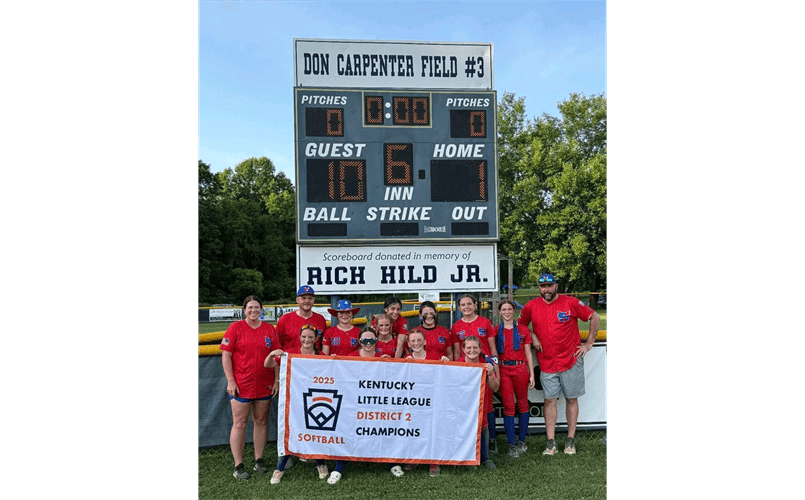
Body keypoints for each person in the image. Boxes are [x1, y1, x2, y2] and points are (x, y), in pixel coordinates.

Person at [517, 273, 600, 455]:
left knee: (572, 399)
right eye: (542, 286)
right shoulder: (531, 306)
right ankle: (551, 442)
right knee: (549, 400)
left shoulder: (570, 302)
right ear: (539, 288)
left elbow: (594, 317)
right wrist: (533, 335)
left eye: (549, 286)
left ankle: (570, 440)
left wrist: (589, 343)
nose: (546, 289)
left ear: (556, 286)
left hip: (570, 359)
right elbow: (520, 325)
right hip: (547, 361)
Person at [219, 295, 281, 480]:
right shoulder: (235, 327)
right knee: (240, 423)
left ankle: (258, 460)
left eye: (257, 307)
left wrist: (276, 380)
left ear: (261, 309)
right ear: (244, 310)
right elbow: (226, 356)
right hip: (241, 384)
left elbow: (276, 356)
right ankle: (238, 465)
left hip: (264, 383)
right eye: (250, 308)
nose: (254, 311)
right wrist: (231, 381)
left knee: (261, 421)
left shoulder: (269, 329)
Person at [328, 328, 401, 484]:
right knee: (347, 432)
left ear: (376, 341)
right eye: (365, 340)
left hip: (375, 403)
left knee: (383, 430)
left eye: (372, 340)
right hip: (353, 403)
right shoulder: (350, 358)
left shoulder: (383, 359)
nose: (368, 344)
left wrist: (389, 365)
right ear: (359, 341)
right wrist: (334, 363)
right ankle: (338, 467)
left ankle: (392, 462)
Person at [263, 325, 329, 484]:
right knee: (290, 432)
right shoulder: (290, 352)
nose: (307, 340)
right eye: (304, 337)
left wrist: (333, 360)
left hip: (314, 399)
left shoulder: (320, 355)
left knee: (315, 431)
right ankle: (279, 469)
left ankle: (320, 464)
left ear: (316, 339)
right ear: (299, 337)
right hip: (293, 400)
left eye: (311, 337)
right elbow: (268, 364)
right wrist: (272, 354)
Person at [450, 294, 499, 451]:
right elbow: (457, 352)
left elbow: (492, 348)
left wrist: (495, 367)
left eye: (469, 304)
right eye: (463, 305)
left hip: (484, 366)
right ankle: (468, 441)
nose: (466, 307)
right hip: (466, 368)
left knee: (488, 405)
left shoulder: (485, 322)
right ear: (459, 308)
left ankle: (491, 439)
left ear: (475, 305)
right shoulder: (456, 326)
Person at [491, 299, 535, 458]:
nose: (507, 312)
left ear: (514, 311)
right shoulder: (496, 330)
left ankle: (522, 440)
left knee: (523, 403)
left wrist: (532, 374)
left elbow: (528, 353)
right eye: (504, 309)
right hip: (503, 369)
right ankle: (511, 443)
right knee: (509, 406)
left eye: (510, 309)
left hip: (520, 368)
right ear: (500, 312)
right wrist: (496, 372)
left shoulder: (523, 330)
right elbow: (493, 352)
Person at [403, 329, 448, 477]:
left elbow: (447, 376)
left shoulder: (435, 357)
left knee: (433, 431)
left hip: (433, 401)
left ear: (424, 342)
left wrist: (446, 363)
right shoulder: (406, 359)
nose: (416, 343)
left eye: (419, 340)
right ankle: (414, 458)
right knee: (414, 430)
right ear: (409, 344)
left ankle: (434, 462)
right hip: (414, 402)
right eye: (413, 341)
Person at [455, 335, 499, 470]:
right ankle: (466, 458)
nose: (472, 350)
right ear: (463, 349)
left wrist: (490, 374)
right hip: (463, 405)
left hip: (481, 403)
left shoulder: (486, 364)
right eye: (469, 348)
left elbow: (495, 388)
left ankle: (485, 457)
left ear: (480, 349)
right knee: (464, 427)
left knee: (483, 423)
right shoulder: (457, 364)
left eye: (475, 348)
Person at [275, 285, 327, 351]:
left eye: (310, 298)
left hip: (313, 357)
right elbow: (277, 344)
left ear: (313, 300)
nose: (307, 301)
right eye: (303, 298)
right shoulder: (285, 319)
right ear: (297, 300)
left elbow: (324, 343)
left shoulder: (320, 319)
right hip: (291, 357)